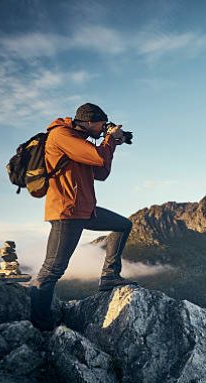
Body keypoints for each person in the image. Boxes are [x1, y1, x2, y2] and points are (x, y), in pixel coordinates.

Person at [30, 103, 137, 330]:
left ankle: (109, 276)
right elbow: (99, 159)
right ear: (88, 121)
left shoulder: (81, 143)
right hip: (67, 212)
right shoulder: (61, 135)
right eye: (102, 124)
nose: (103, 128)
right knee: (52, 270)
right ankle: (40, 324)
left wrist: (113, 143)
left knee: (122, 225)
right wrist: (108, 140)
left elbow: (101, 172)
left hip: (85, 210)